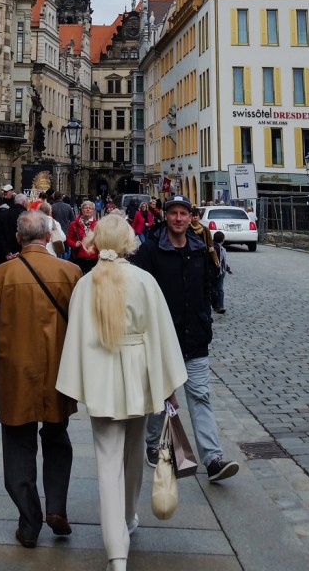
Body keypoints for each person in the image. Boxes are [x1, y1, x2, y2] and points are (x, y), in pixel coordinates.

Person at [56, 214, 187, 571]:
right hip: (138, 377)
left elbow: (76, 341)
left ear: (96, 243)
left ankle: (117, 552)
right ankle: (128, 517)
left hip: (101, 380)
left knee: (107, 462)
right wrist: (169, 387)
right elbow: (161, 336)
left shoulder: (86, 284)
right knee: (132, 454)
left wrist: (75, 384)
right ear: (129, 242)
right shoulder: (144, 280)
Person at [0, 210, 82, 547]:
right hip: (58, 371)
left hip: (15, 372)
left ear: (18, 238)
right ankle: (57, 508)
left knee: (18, 445)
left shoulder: (2, 275)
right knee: (57, 438)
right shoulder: (71, 272)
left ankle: (30, 520)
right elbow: (82, 329)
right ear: (48, 237)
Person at [133, 194, 239, 483]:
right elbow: (139, 293)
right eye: (174, 213)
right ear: (165, 216)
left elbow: (207, 286)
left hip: (195, 337)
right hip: (162, 339)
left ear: (191, 217)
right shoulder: (151, 251)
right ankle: (153, 443)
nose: (179, 218)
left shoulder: (199, 249)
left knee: (200, 396)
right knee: (161, 397)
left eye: (184, 213)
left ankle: (213, 459)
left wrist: (205, 317)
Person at [67, 200, 98, 275]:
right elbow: (68, 239)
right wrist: (75, 244)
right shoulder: (74, 224)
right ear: (82, 210)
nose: (87, 209)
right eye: (85, 208)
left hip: (93, 256)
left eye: (90, 208)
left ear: (93, 211)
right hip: (79, 256)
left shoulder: (97, 224)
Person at [211, 230, 232, 314]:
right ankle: (219, 306)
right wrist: (226, 268)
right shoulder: (219, 248)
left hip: (217, 271)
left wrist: (227, 268)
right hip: (218, 272)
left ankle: (216, 305)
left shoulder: (214, 247)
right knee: (219, 289)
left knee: (215, 289)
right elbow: (221, 261)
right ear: (223, 240)